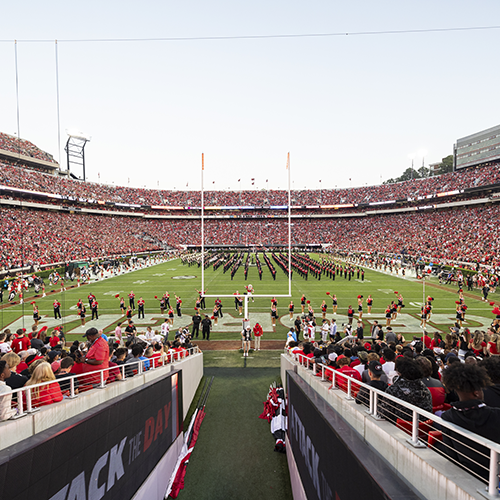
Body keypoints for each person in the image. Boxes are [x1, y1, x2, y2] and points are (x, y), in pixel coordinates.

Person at [441, 363, 500, 481]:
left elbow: (451, 455)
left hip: (467, 476)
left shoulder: (447, 417)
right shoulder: (496, 414)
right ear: (476, 392)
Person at [378, 357, 432, 423]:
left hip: (399, 428)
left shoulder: (393, 390)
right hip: (423, 429)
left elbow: (383, 413)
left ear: (400, 373)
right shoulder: (425, 389)